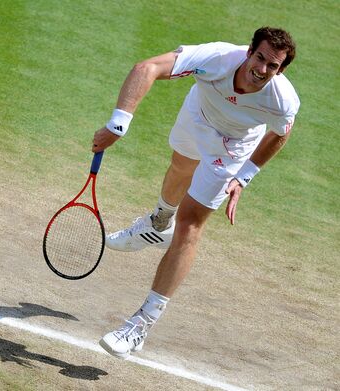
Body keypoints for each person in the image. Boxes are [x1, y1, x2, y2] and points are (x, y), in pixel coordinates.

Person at [92, 27, 299, 359]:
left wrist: (245, 176)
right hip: (197, 114)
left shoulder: (283, 100)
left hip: (231, 148)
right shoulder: (216, 57)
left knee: (191, 223)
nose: (262, 70)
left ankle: (140, 325)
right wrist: (118, 123)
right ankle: (159, 223)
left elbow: (281, 134)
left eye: (272, 66)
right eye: (259, 58)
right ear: (248, 52)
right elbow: (148, 68)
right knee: (180, 167)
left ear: (280, 70)